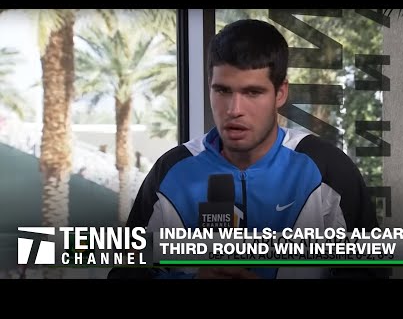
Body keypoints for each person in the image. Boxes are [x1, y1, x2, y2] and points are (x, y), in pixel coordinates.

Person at [108, 19, 381, 279]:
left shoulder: (327, 170)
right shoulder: (171, 172)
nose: (234, 110)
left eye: (252, 92)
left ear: (281, 93)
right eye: (223, 91)